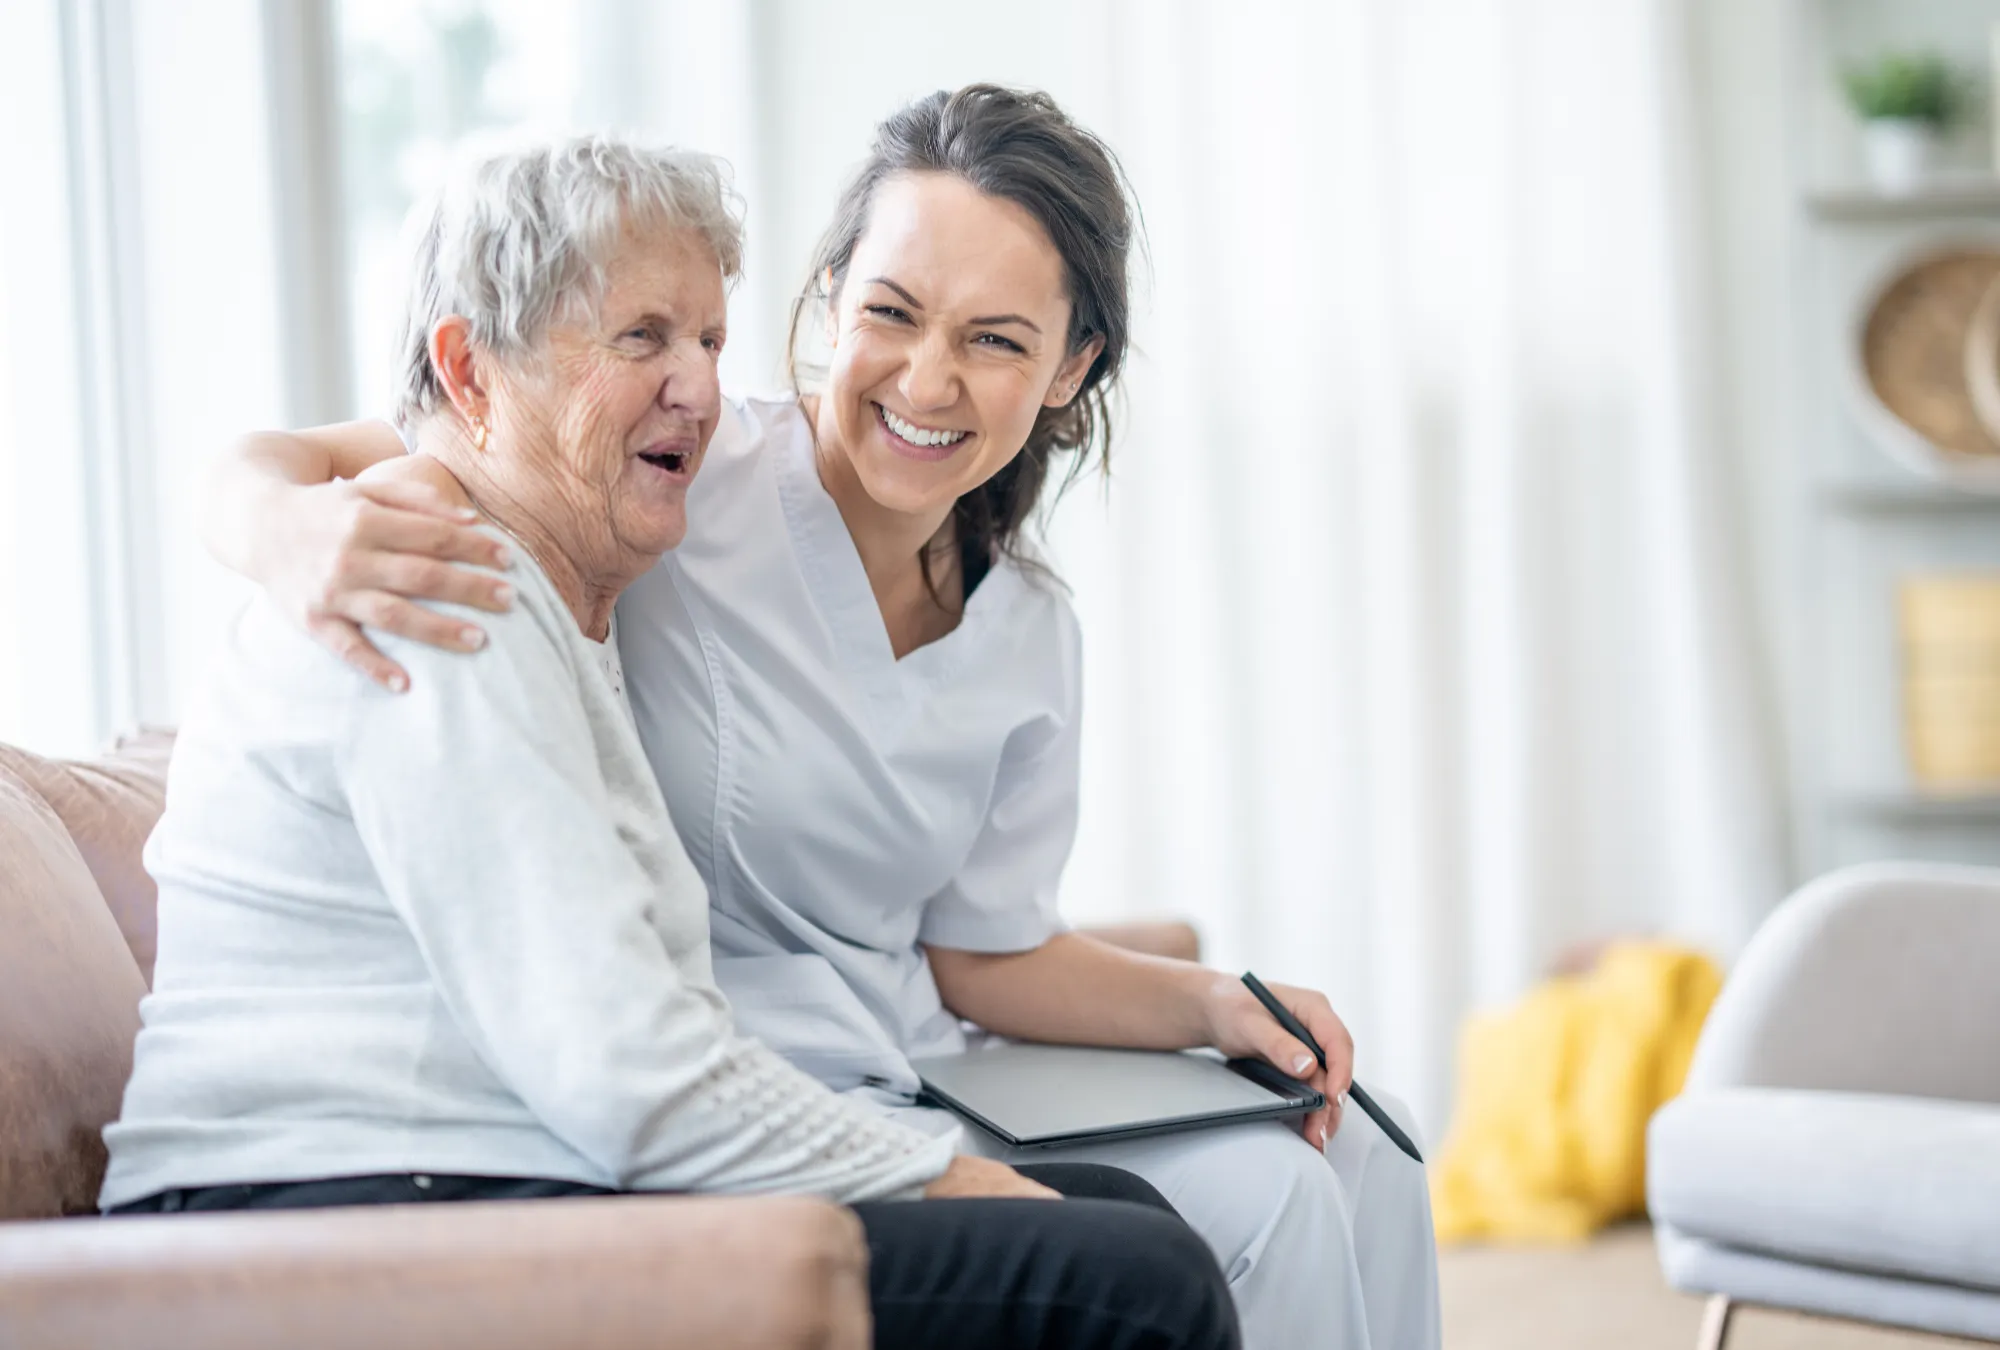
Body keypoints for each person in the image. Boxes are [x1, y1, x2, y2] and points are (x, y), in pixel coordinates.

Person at [205, 88, 1441, 1350]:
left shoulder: (1022, 625)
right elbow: (435, 434)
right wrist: (270, 522)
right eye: (891, 313)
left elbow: (982, 950)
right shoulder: (666, 478)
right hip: (724, 1092)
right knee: (1245, 1215)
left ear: (1069, 368)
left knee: (1367, 1150)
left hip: (909, 1069)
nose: (927, 379)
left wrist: (1213, 1004)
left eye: (995, 340)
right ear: (833, 298)